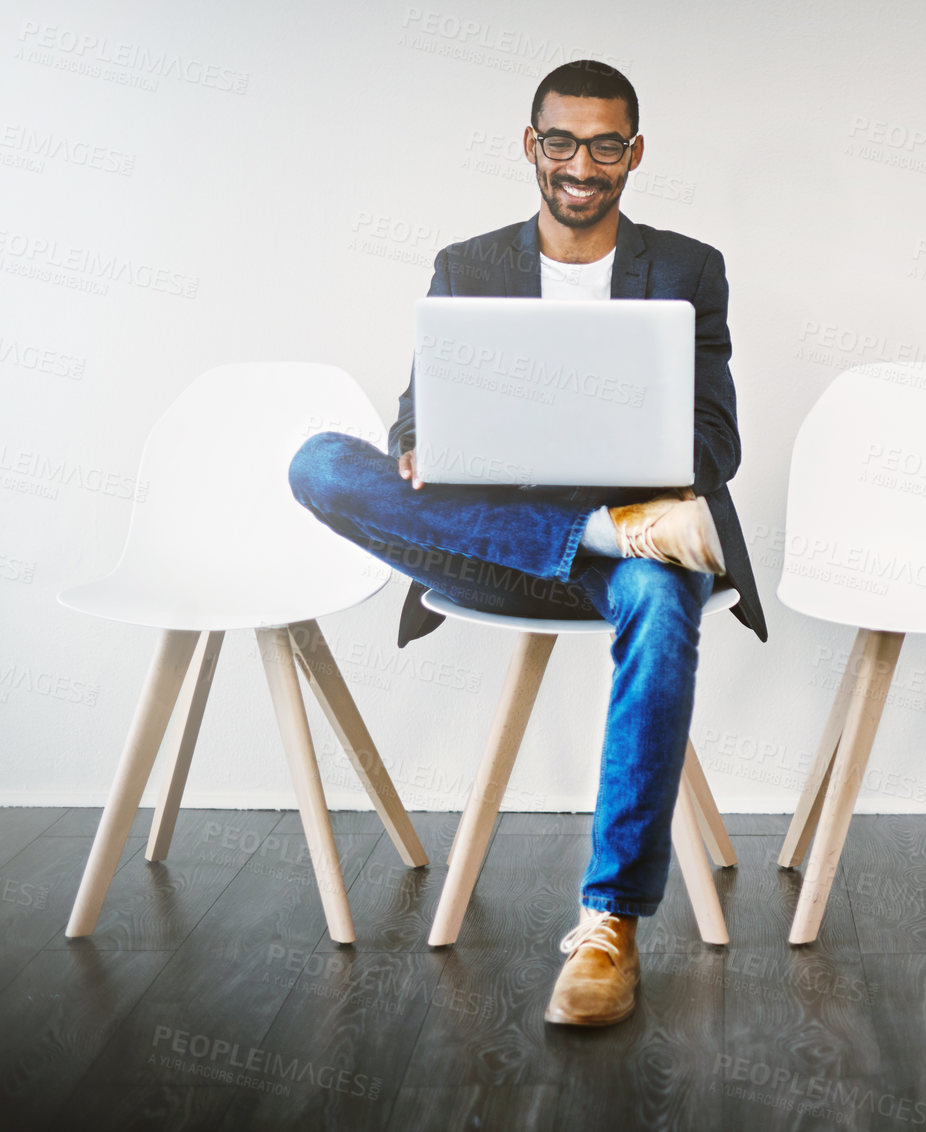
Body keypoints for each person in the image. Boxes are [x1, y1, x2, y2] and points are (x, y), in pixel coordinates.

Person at [287, 58, 766, 1027]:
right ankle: (585, 527)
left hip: (643, 550)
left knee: (660, 601)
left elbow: (718, 442)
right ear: (529, 145)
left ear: (633, 153)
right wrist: (418, 445)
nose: (579, 165)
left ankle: (608, 925)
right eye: (560, 141)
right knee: (319, 461)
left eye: (602, 144)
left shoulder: (684, 268)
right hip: (496, 547)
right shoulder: (470, 265)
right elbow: (416, 414)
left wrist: (617, 433)